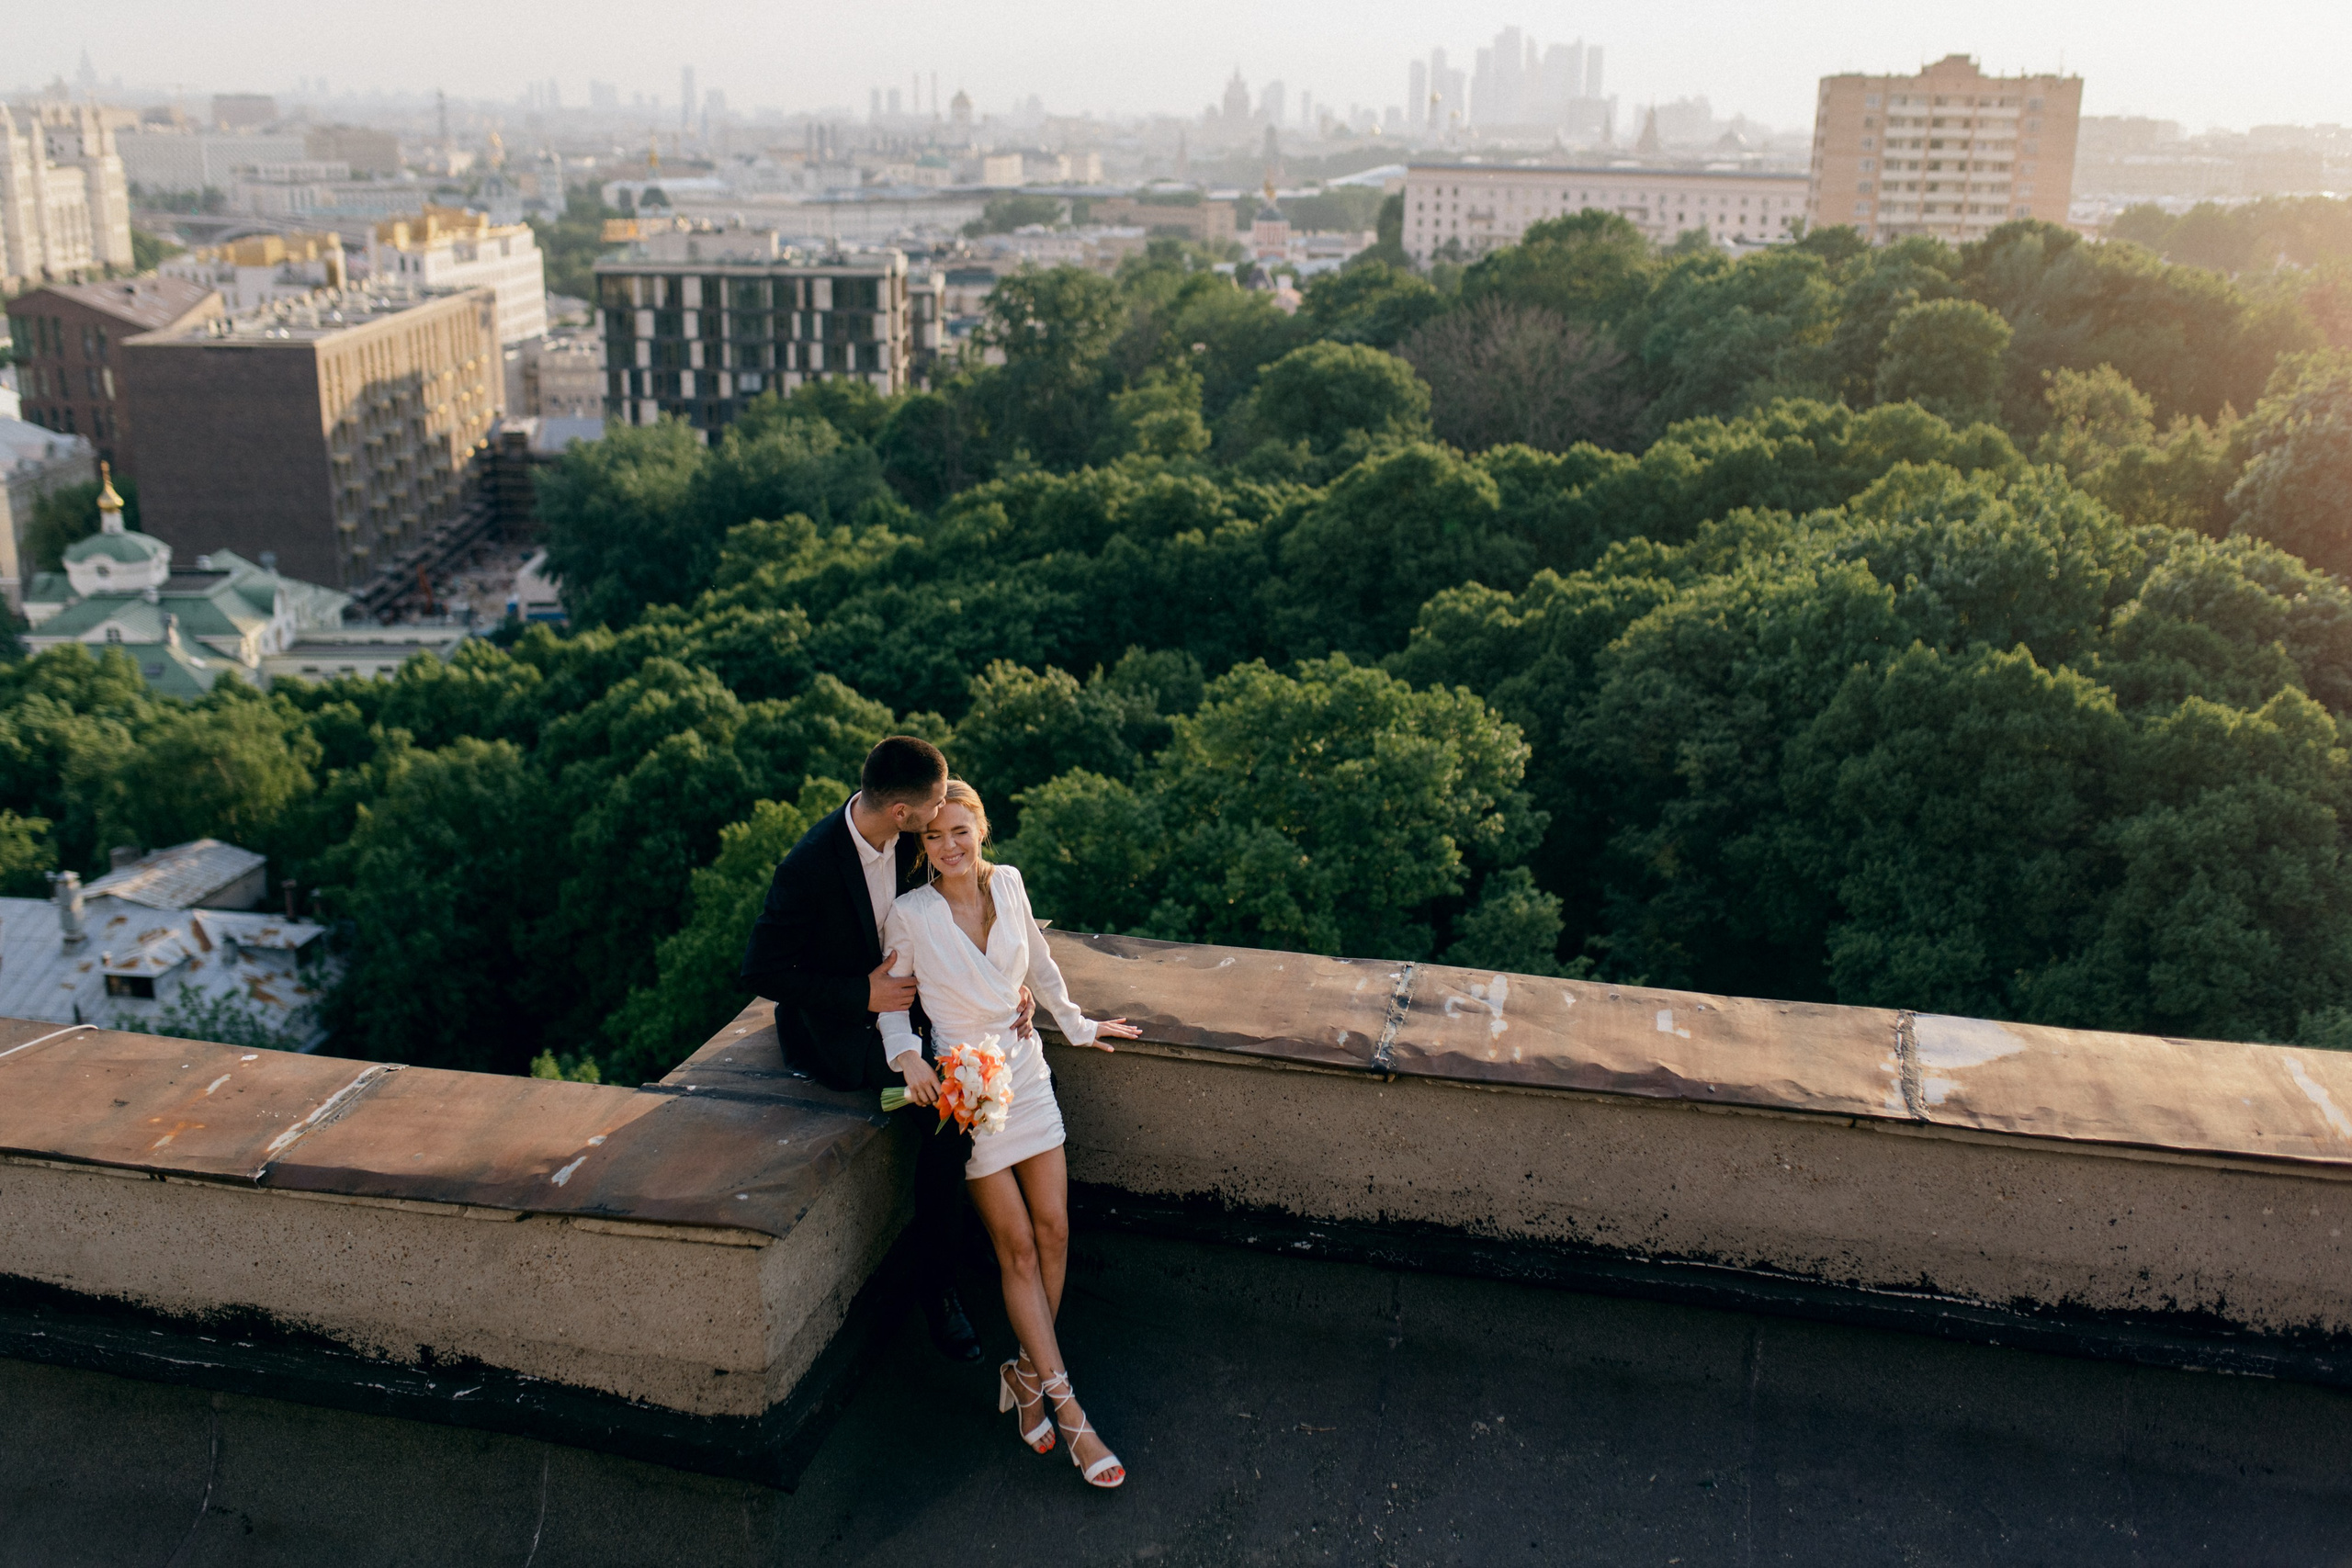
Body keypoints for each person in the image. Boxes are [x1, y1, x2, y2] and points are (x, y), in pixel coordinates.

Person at [879, 779, 1141, 1489]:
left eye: (959, 830)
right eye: (933, 836)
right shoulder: (911, 914)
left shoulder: (1013, 884)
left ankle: (1025, 1373)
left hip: (1028, 1071)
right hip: (969, 1091)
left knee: (1054, 1230)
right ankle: (1071, 1409)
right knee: (1017, 1246)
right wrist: (908, 1058)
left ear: (982, 830)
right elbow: (894, 1006)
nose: (948, 846)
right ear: (921, 847)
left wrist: (1080, 1025)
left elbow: (1043, 968)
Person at [739, 736, 1022, 1364]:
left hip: (912, 1016)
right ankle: (937, 1288)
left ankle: (967, 1239)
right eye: (932, 807)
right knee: (948, 1110)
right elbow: (760, 970)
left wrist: (1013, 983)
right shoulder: (807, 866)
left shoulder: (908, 840)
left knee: (974, 1083)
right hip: (842, 1033)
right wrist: (859, 993)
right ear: (901, 811)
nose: (941, 814)